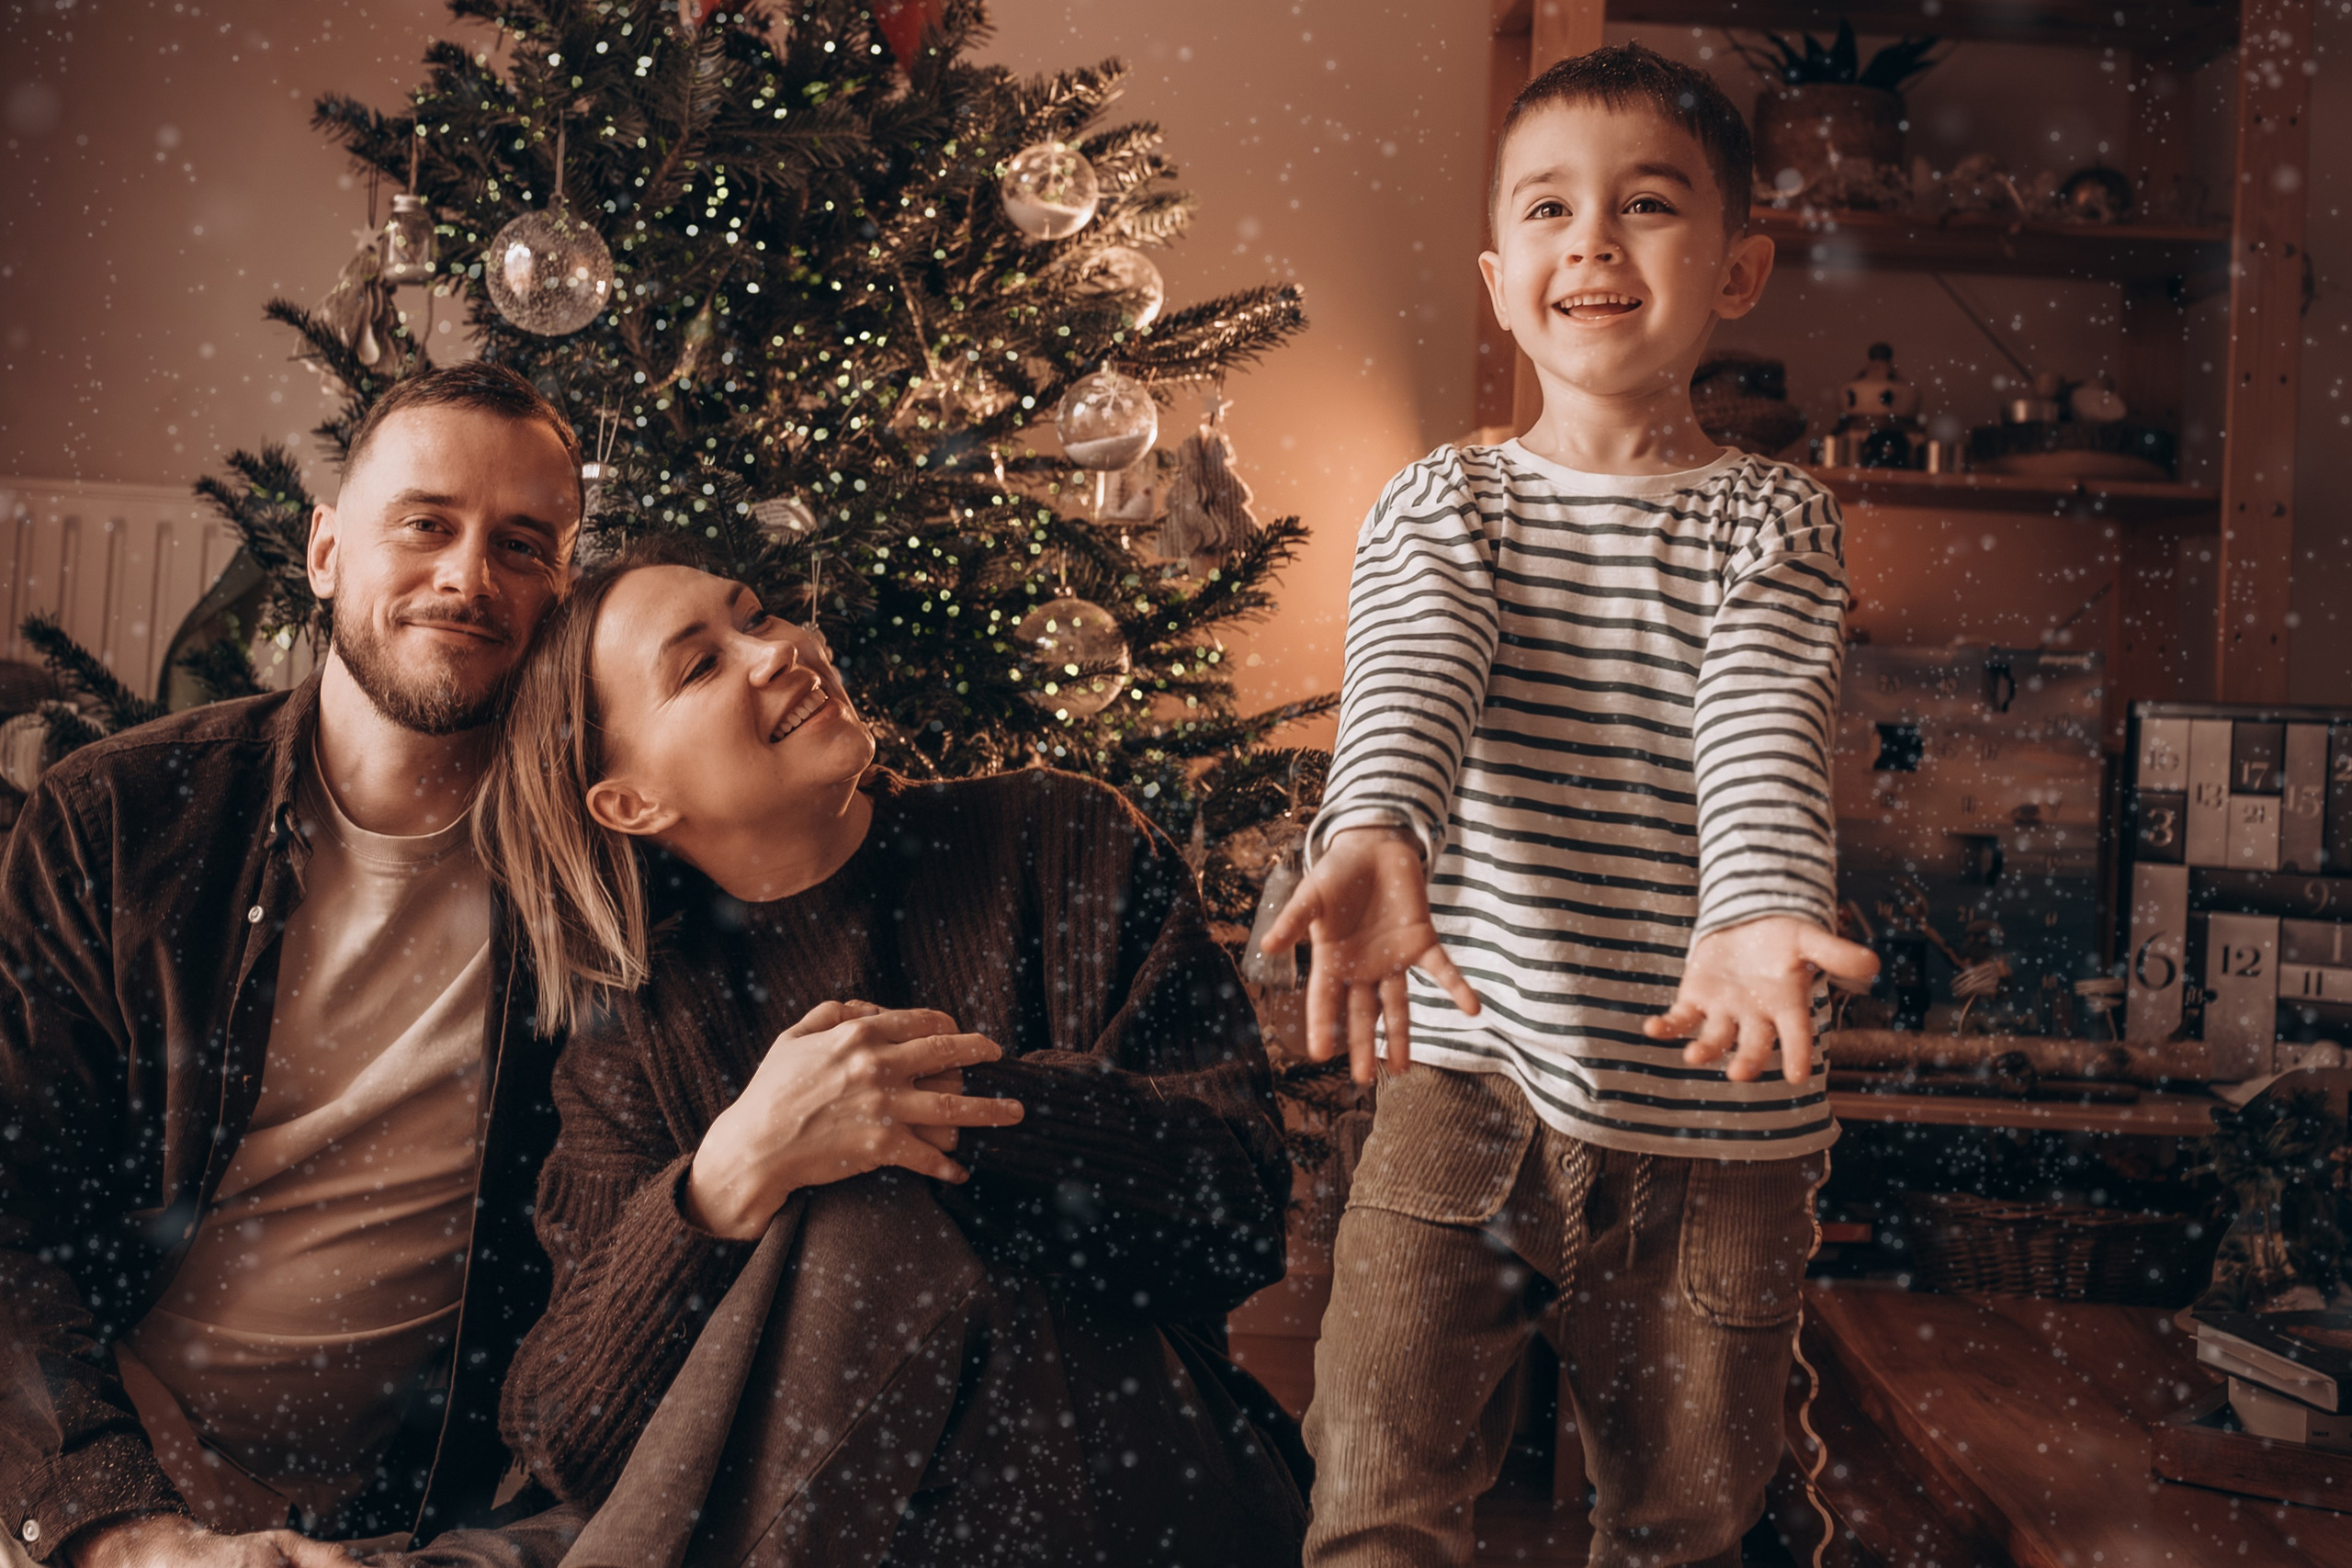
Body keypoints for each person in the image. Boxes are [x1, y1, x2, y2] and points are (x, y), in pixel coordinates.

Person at [1261, 45, 1882, 1568]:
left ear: (1737, 271)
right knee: (1377, 1471)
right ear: (1498, 275)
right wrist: (1375, 830)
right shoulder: (1445, 502)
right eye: (1548, 208)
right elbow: (1417, 672)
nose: (1591, 241)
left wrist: (1747, 911)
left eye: (1646, 205)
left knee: (1686, 1510)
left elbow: (1760, 719)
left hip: (1715, 1111)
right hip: (1470, 1074)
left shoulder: (1773, 517)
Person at [473, 547, 1310, 1568]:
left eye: (761, 615)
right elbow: (565, 1434)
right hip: (847, 1524)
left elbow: (1237, 1217)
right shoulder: (636, 1029)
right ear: (632, 803)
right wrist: (729, 1177)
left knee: (861, 1203)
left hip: (1141, 1477)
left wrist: (918, 1103)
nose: (778, 649)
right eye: (700, 665)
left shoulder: (1061, 839)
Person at [0, 364, 589, 1568]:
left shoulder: (600, 871)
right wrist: (122, 1529)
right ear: (325, 550)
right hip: (103, 1472)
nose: (468, 577)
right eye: (425, 522)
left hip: (419, 1517)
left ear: (561, 590)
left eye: (521, 543)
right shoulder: (118, 815)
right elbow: (12, 1214)